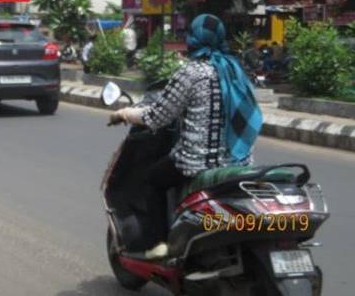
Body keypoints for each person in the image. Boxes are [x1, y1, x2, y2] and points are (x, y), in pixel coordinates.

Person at [109, 14, 263, 259]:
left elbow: (158, 116)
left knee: (152, 181)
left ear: (193, 38)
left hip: (196, 163)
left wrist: (125, 113)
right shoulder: (236, 70)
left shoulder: (190, 73)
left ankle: (158, 244)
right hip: (238, 162)